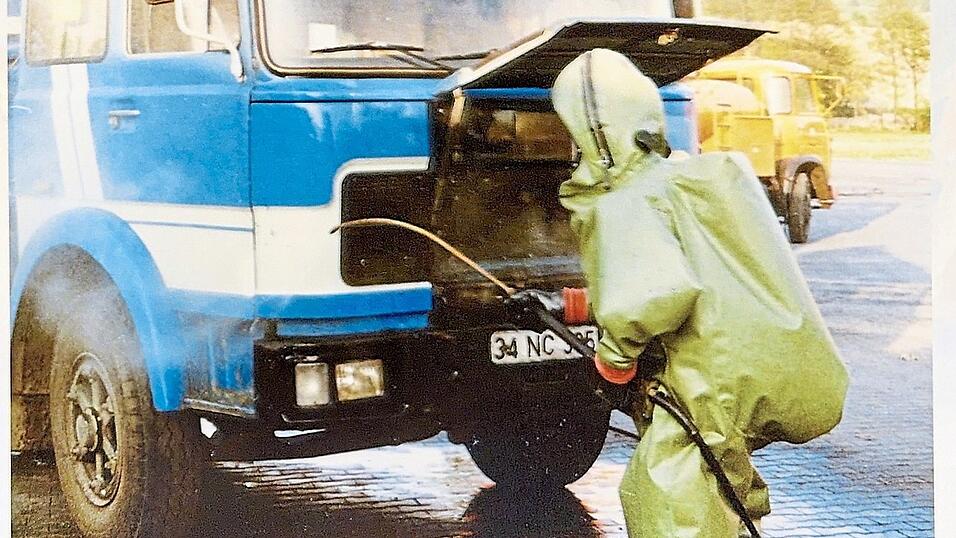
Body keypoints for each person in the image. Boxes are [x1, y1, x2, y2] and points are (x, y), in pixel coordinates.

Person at [550, 49, 848, 537]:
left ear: (594, 133)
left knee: (668, 498)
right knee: (727, 490)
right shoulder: (700, 176)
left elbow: (655, 296)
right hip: (766, 367)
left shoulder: (629, 199)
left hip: (708, 382)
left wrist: (614, 357)